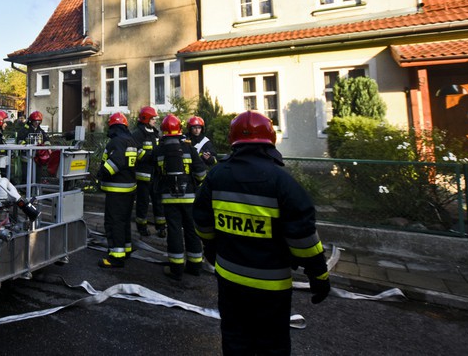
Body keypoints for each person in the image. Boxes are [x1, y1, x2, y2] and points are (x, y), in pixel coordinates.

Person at [193, 110, 330, 355]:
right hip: (270, 286)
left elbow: (202, 221)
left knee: (234, 339)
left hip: (229, 279)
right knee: (271, 344)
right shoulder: (282, 182)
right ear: (270, 140)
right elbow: (303, 238)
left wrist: (211, 250)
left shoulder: (217, 176)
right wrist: (318, 274)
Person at [155, 114, 208, 280]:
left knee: (174, 231)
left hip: (169, 199)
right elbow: (201, 173)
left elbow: (156, 174)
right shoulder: (189, 148)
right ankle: (195, 266)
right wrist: (195, 184)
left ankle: (176, 269)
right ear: (180, 131)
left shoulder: (159, 151)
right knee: (192, 230)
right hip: (189, 198)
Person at [98, 112, 138, 268]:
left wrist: (102, 172)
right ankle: (126, 249)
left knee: (114, 222)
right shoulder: (131, 140)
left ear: (113, 127)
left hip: (117, 189)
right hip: (129, 188)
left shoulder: (116, 142)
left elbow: (117, 161)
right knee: (124, 221)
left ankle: (116, 256)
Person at [132, 106, 166, 238]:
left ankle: (161, 227)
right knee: (143, 203)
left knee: (158, 201)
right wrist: (152, 155)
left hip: (156, 175)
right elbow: (136, 152)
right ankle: (141, 227)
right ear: (146, 119)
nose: (155, 121)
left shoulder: (155, 132)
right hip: (143, 175)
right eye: (153, 118)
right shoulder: (137, 134)